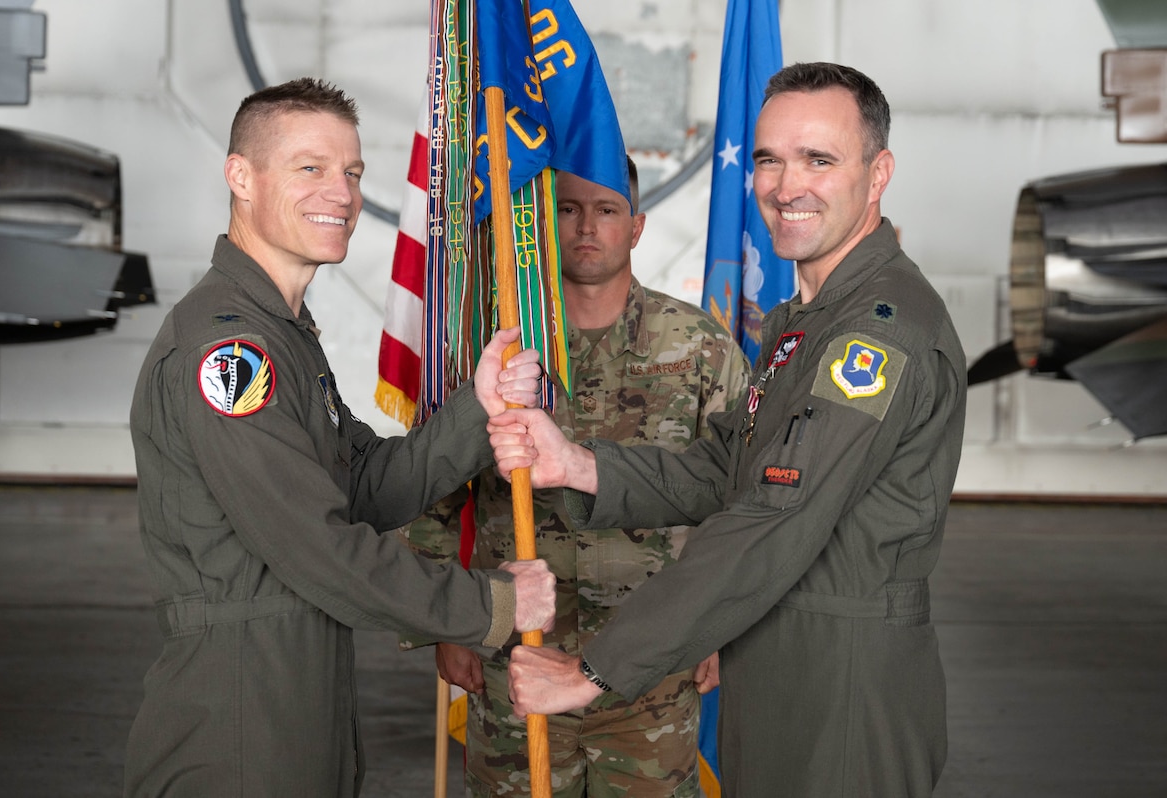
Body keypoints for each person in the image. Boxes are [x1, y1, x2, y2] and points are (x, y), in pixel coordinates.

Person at [494, 62, 968, 797]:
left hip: (839, 681)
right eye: (769, 160)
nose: (786, 187)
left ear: (878, 175)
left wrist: (594, 670)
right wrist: (578, 465)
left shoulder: (877, 335)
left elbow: (770, 520)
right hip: (778, 663)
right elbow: (725, 470)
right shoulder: (803, 324)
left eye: (819, 159)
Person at [124, 77, 557, 798]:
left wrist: (475, 413)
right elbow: (317, 545)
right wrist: (491, 606)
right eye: (310, 168)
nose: (343, 192)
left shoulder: (281, 335)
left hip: (294, 691)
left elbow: (360, 486)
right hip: (239, 712)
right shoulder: (231, 354)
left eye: (352, 172)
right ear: (241, 176)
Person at [402, 158, 749, 797]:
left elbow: (736, 500)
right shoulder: (498, 352)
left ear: (637, 227)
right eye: (568, 209)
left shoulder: (700, 347)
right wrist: (443, 625)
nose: (587, 226)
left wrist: (718, 626)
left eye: (608, 210)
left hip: (650, 672)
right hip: (517, 664)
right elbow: (435, 493)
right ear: (541, 224)